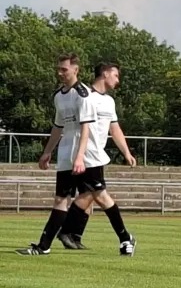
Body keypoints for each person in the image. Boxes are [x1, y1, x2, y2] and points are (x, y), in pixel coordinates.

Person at [16, 53, 95, 255]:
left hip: (82, 156)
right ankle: (46, 245)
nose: (60, 73)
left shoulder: (83, 93)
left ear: (76, 70)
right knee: (62, 198)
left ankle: (64, 235)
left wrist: (80, 156)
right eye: (59, 69)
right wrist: (47, 151)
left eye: (64, 69)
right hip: (65, 155)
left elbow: (86, 128)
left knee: (90, 195)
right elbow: (58, 127)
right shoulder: (58, 95)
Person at [57, 62, 137, 256]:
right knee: (99, 195)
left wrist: (126, 152)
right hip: (84, 155)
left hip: (95, 156)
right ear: (105, 74)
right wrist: (78, 154)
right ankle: (125, 238)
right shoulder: (85, 96)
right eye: (116, 75)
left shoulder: (109, 101)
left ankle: (70, 233)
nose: (117, 80)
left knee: (89, 195)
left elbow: (114, 128)